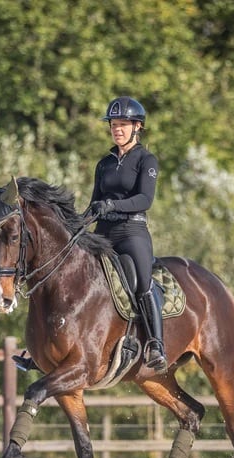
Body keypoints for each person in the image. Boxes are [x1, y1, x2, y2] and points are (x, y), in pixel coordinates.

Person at [88, 96, 167, 374]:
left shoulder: (147, 159)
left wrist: (114, 205)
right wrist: (75, 226)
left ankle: (156, 344)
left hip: (132, 231)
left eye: (122, 124)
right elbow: (95, 203)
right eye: (113, 124)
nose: (117, 129)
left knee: (144, 282)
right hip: (104, 232)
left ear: (138, 127)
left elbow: (145, 199)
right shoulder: (104, 164)